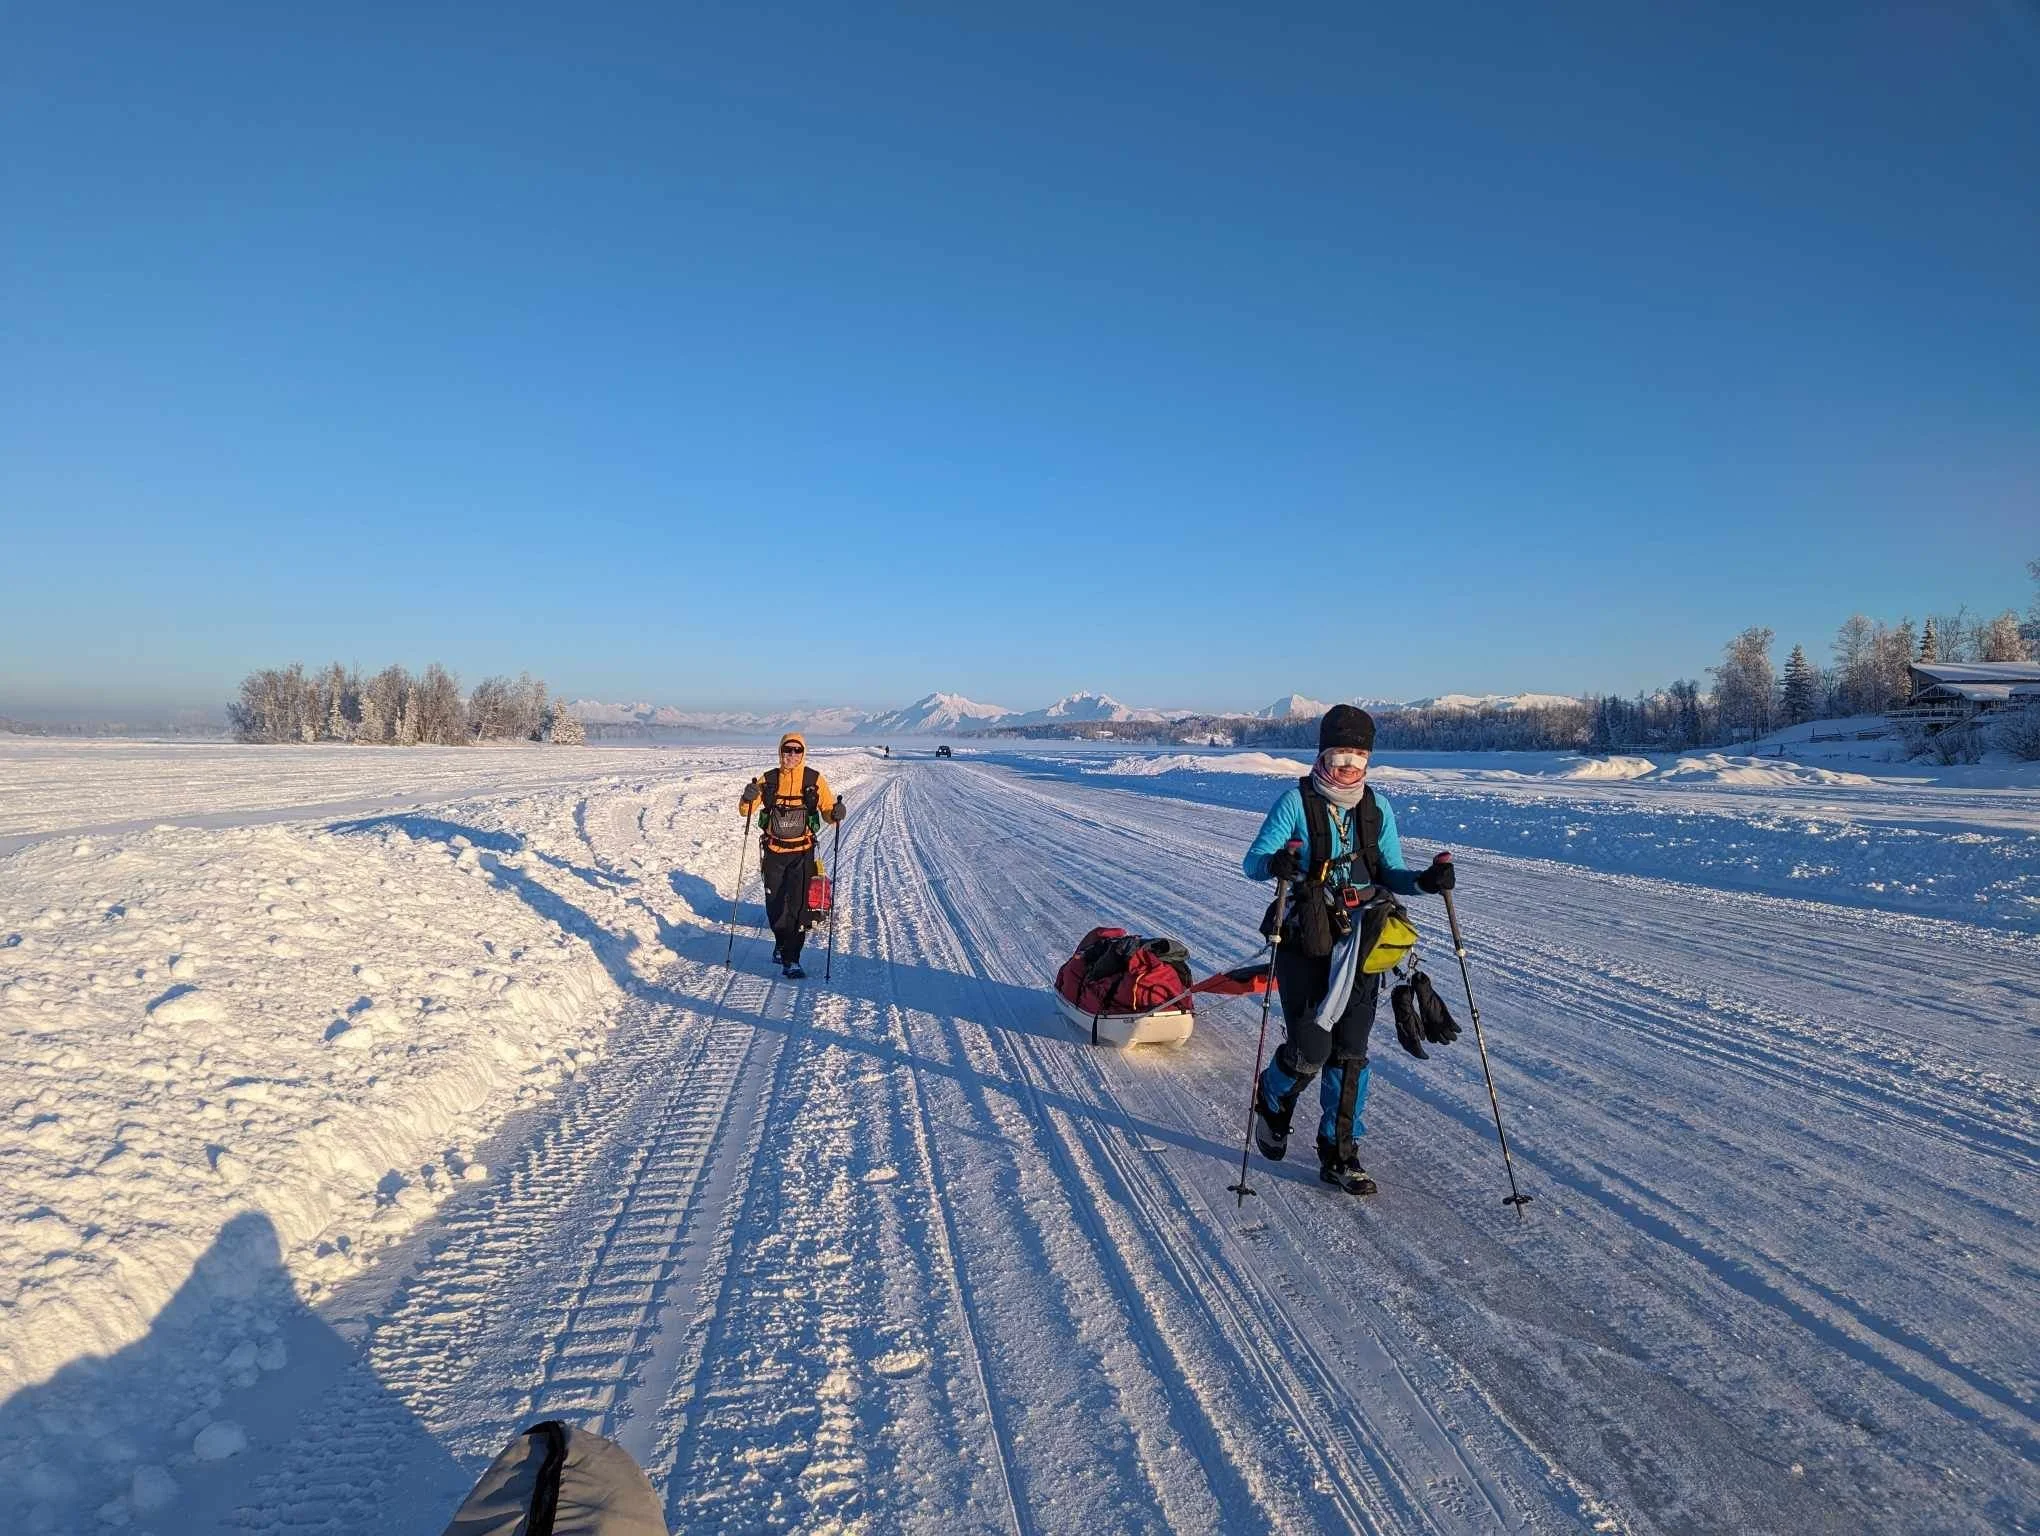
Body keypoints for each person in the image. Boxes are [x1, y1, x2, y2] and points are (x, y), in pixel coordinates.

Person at [1241, 705, 1455, 1194]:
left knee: (1351, 1055)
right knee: (1311, 1049)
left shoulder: (1377, 809)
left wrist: (1424, 882)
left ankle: (1340, 1154)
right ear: (1322, 754)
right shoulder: (1295, 803)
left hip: (1360, 943)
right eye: (1340, 753)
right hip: (1305, 942)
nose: (1349, 765)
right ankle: (1273, 1099)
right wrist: (1280, 864)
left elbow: (1391, 873)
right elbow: (1253, 863)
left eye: (1359, 754)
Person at [738, 733, 844, 979]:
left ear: (803, 752)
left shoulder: (814, 779)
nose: (792, 755)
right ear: (780, 751)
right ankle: (781, 942)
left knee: (798, 906)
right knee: (775, 904)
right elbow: (746, 811)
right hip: (774, 852)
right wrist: (748, 796)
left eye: (797, 750)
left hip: (802, 852)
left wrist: (837, 813)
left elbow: (828, 811)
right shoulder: (769, 779)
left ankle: (791, 959)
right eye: (788, 750)